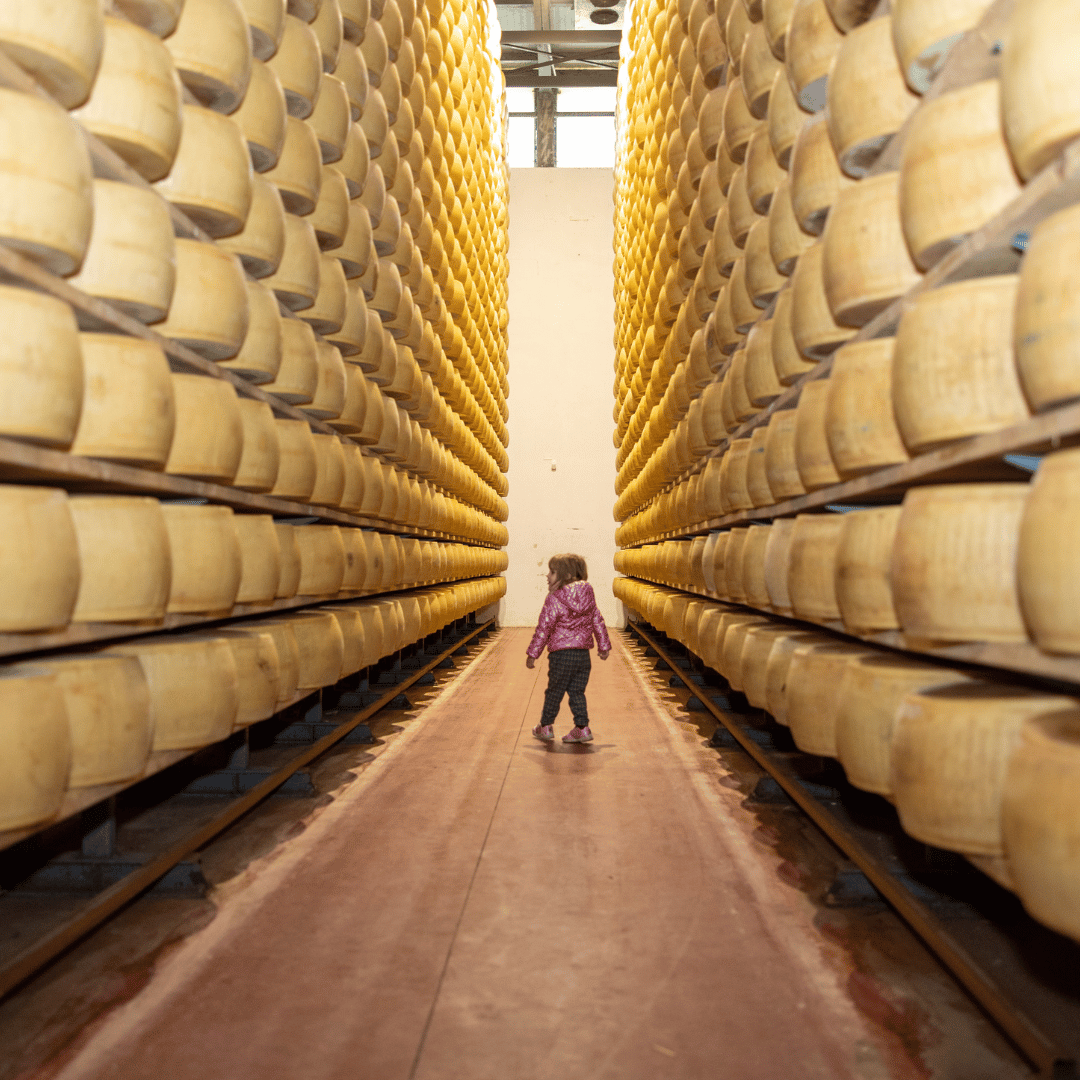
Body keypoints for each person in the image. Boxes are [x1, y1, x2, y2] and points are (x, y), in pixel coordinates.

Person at [526, 553, 611, 744]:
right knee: (577, 691)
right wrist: (603, 646)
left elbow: (544, 628)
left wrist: (533, 653)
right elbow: (597, 621)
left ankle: (545, 727)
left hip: (561, 655)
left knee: (554, 691)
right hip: (583, 656)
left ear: (567, 574)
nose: (547, 575)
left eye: (553, 571)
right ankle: (582, 727)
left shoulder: (554, 598)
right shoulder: (589, 596)